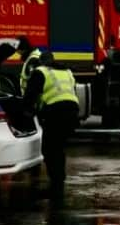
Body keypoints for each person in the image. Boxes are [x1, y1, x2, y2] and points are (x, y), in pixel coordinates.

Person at [23, 52, 80, 189]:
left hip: (55, 111)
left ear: (41, 62)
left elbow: (30, 95)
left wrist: (27, 112)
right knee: (58, 146)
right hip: (72, 110)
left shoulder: (41, 72)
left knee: (49, 148)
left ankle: (56, 179)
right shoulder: (67, 71)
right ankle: (59, 177)